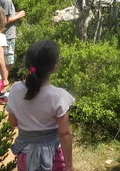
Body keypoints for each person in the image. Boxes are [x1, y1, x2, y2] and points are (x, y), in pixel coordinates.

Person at [7, 40, 75, 171]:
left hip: (24, 155)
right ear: (54, 67)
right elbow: (64, 133)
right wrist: (70, 166)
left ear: (28, 64)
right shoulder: (59, 96)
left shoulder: (15, 89)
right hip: (52, 156)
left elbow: (12, 122)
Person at [0, 0, 26, 103]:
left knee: (6, 62)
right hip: (7, 36)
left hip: (7, 36)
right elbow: (5, 20)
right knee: (7, 64)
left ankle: (1, 90)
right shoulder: (6, 1)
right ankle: (2, 91)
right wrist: (19, 15)